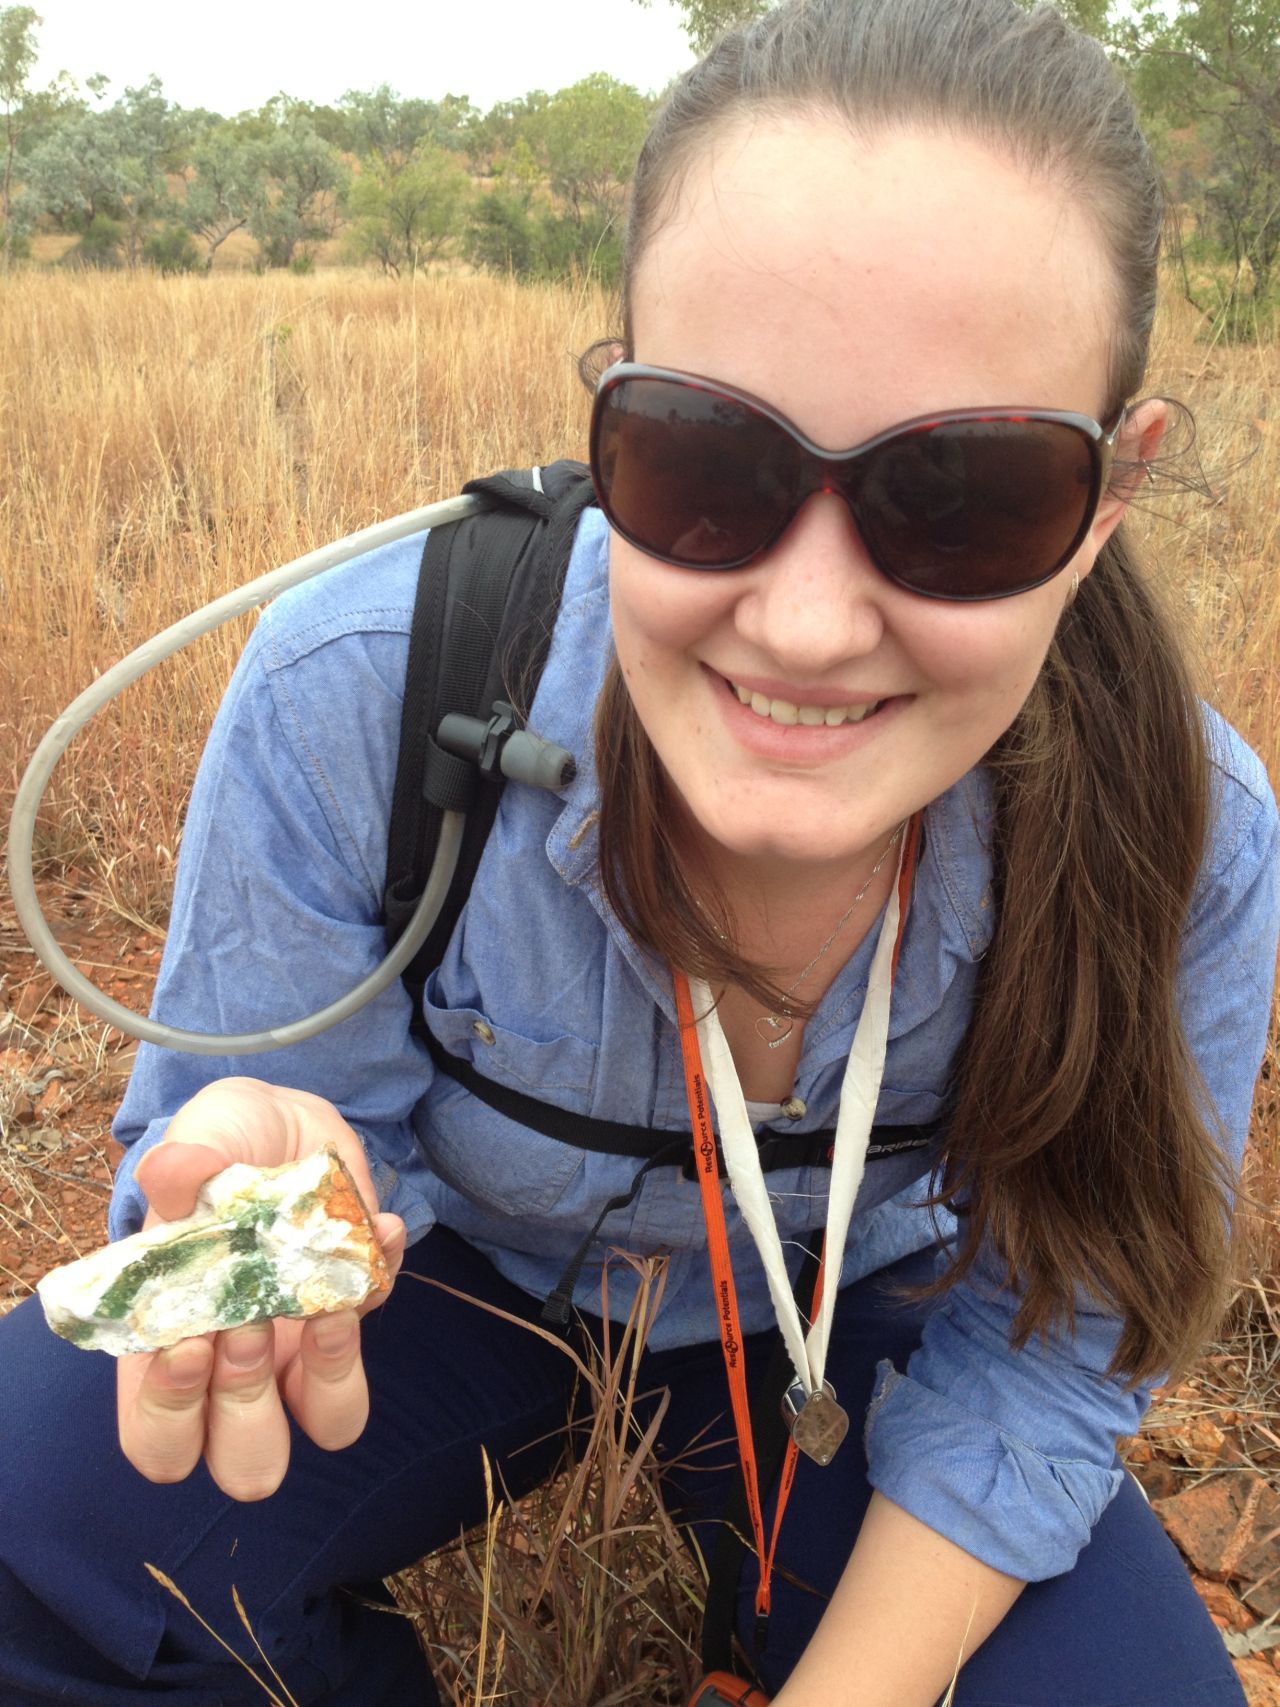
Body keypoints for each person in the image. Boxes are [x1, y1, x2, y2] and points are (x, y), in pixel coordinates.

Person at [2, 0, 1277, 1702]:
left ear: (1112, 494)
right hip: (446, 1265)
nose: (812, 621)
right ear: (611, 424)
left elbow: (1054, 1351)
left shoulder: (1192, 836)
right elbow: (255, 1186)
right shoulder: (356, 689)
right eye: (707, 464)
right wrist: (269, 1192)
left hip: (848, 1315)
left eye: (966, 496)